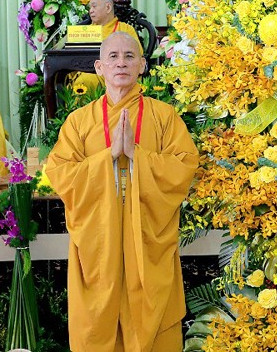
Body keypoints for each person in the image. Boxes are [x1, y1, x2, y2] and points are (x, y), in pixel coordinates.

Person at [45, 32, 198, 352]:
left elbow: (184, 165)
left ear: (142, 65)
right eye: (113, 57)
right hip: (99, 237)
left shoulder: (164, 116)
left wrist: (137, 155)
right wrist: (109, 156)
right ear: (99, 68)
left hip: (149, 234)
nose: (121, 63)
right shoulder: (79, 121)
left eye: (129, 56)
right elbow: (59, 173)